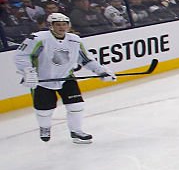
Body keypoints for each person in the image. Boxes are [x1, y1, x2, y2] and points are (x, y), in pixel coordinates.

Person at [14, 12, 116, 143]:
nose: (62, 27)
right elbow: (21, 56)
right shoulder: (38, 39)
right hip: (42, 81)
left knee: (76, 105)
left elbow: (85, 59)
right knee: (45, 110)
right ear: (51, 26)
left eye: (64, 24)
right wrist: (28, 72)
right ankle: (44, 127)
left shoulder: (74, 40)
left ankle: (76, 132)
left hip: (66, 77)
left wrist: (101, 71)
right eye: (58, 25)